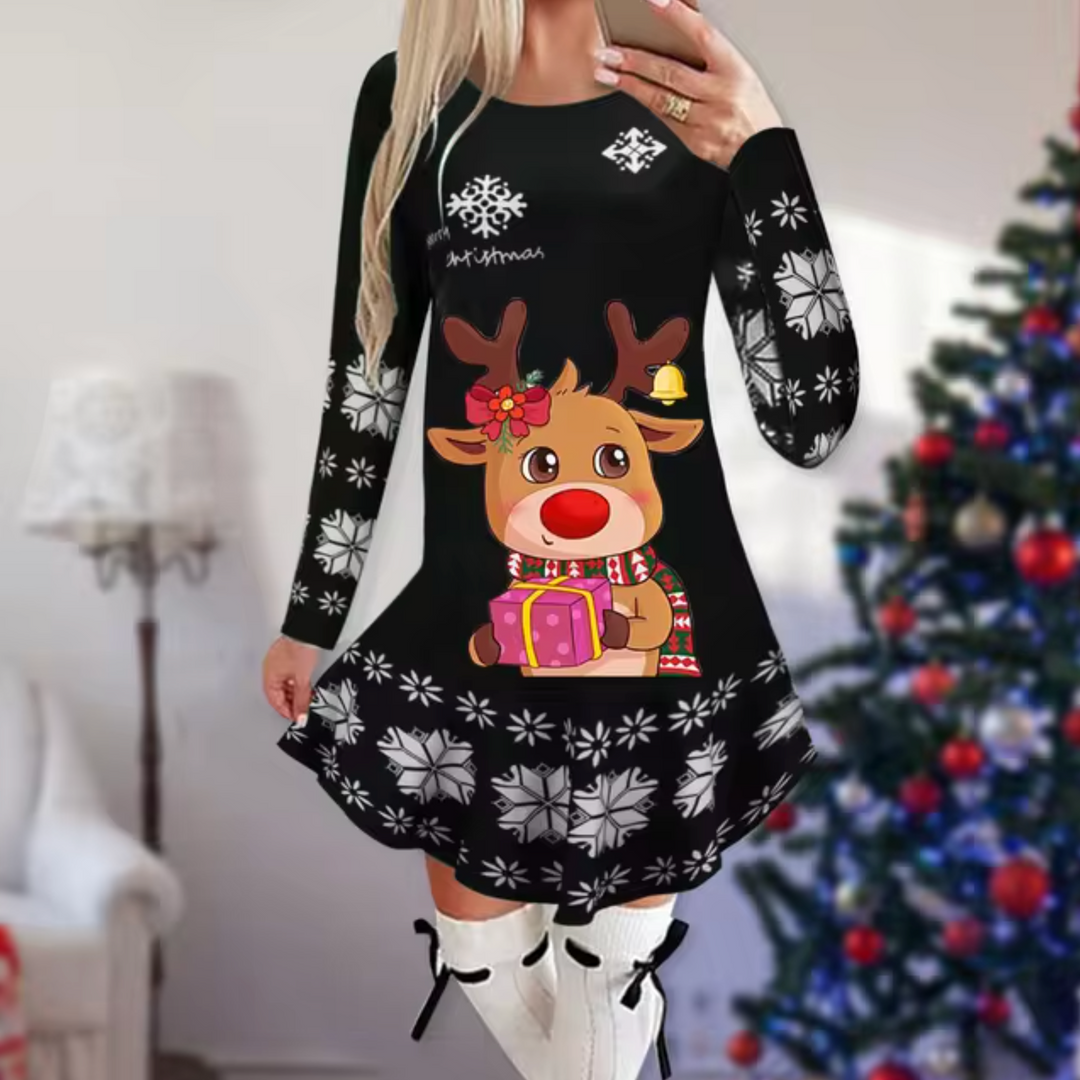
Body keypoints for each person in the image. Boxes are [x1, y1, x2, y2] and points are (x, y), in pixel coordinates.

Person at [263, 1, 859, 1077]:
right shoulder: (411, 101)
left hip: (661, 630)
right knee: (480, 950)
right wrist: (315, 612)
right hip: (479, 625)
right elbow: (368, 373)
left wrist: (762, 145)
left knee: (605, 977)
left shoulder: (688, 92)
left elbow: (810, 416)